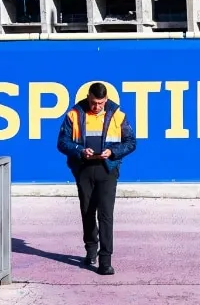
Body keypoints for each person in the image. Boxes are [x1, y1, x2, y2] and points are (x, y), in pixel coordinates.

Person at [56, 82, 137, 274]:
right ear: (88, 97)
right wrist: (79, 150)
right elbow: (62, 142)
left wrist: (113, 151)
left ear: (106, 100)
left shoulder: (118, 115)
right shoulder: (73, 115)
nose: (97, 107)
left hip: (107, 169)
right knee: (87, 211)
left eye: (100, 103)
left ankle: (105, 260)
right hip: (84, 168)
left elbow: (131, 142)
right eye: (93, 102)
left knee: (106, 214)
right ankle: (90, 250)